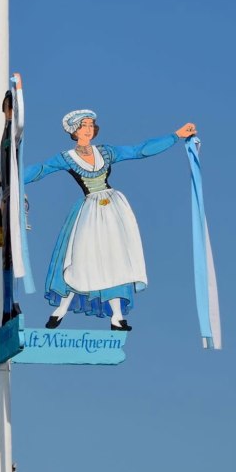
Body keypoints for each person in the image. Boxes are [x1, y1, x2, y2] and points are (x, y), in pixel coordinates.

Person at [25, 110, 196, 331]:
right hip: (89, 210)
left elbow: (139, 150)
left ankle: (117, 317)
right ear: (74, 131)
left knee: (116, 259)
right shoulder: (66, 158)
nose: (88, 129)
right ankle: (61, 308)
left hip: (113, 208)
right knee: (79, 258)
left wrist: (175, 136)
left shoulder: (105, 152)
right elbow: (40, 170)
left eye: (90, 125)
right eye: (83, 125)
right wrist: (12, 177)